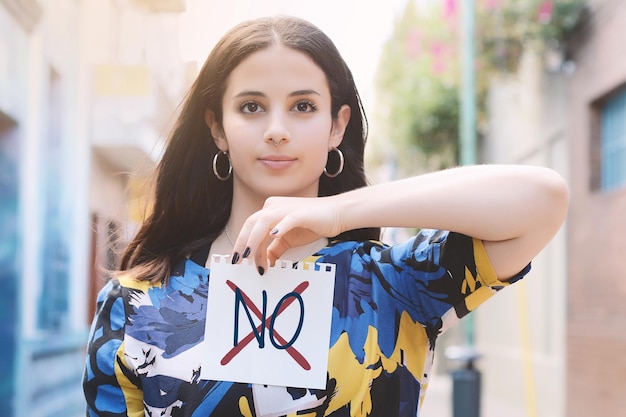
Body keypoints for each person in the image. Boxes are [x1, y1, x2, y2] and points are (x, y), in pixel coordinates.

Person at [82, 15, 569, 417]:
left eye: (303, 107)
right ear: (217, 129)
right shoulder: (137, 300)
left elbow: (542, 198)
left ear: (338, 126)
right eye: (251, 106)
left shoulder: (392, 282)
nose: (276, 130)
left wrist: (337, 211)